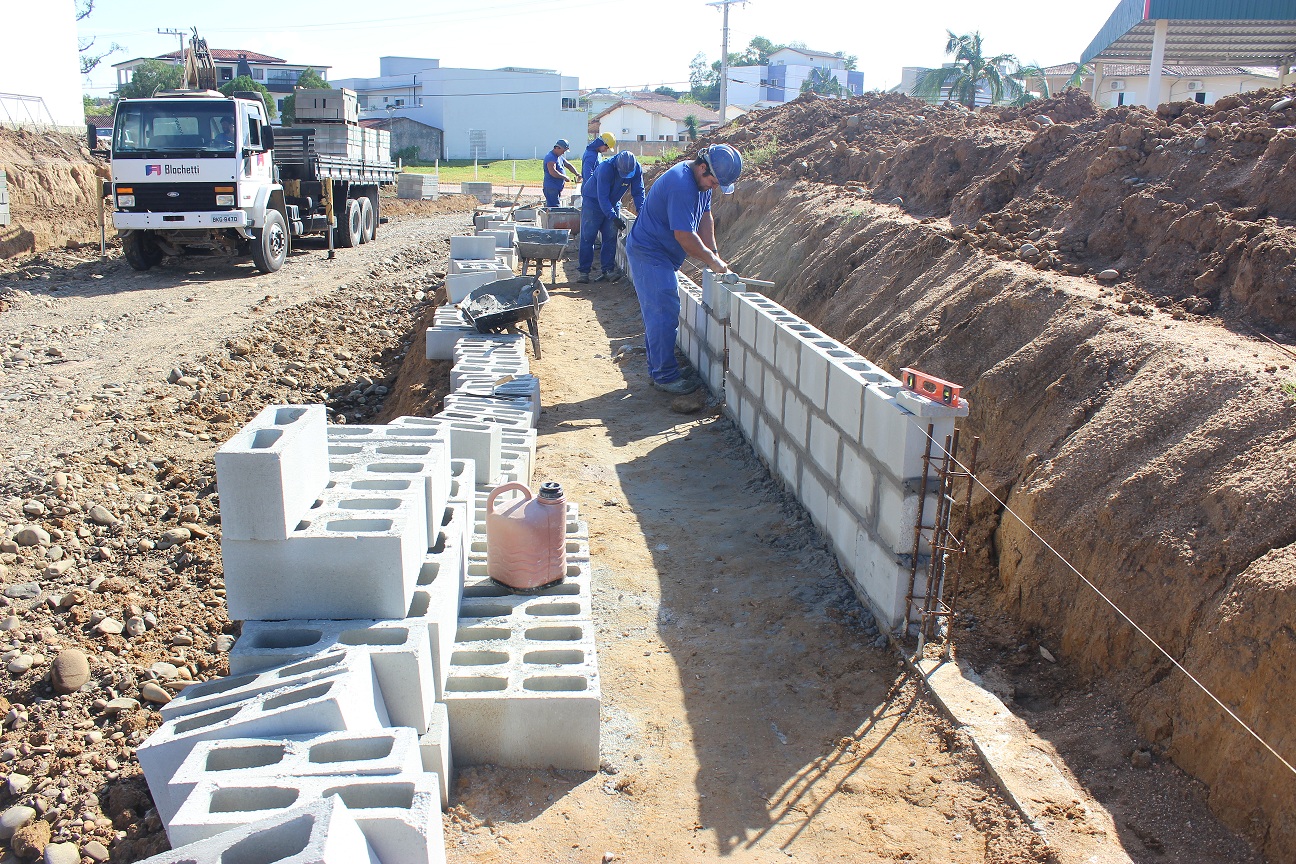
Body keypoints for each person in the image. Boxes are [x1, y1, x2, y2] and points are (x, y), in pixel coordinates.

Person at [625, 144, 743, 395]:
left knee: (661, 313)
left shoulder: (701, 181)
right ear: (703, 167)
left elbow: (705, 217)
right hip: (650, 253)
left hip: (662, 253)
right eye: (712, 182)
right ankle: (664, 376)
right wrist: (711, 261)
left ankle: (660, 367)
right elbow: (684, 236)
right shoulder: (682, 185)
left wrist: (714, 253)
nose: (712, 187)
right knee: (664, 311)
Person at [576, 151, 644, 284]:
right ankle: (584, 272)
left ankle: (607, 270)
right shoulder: (605, 168)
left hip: (613, 202)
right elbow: (602, 197)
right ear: (617, 166)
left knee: (610, 237)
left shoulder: (636, 168)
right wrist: (613, 217)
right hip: (593, 202)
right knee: (588, 237)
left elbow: (638, 191)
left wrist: (642, 212)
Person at [541, 139, 581, 208]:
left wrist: (577, 174)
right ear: (557, 148)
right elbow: (552, 172)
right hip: (551, 187)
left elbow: (568, 165)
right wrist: (564, 177)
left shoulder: (559, 157)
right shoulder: (550, 157)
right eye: (563, 151)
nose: (563, 153)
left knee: (555, 206)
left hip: (556, 187)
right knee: (554, 208)